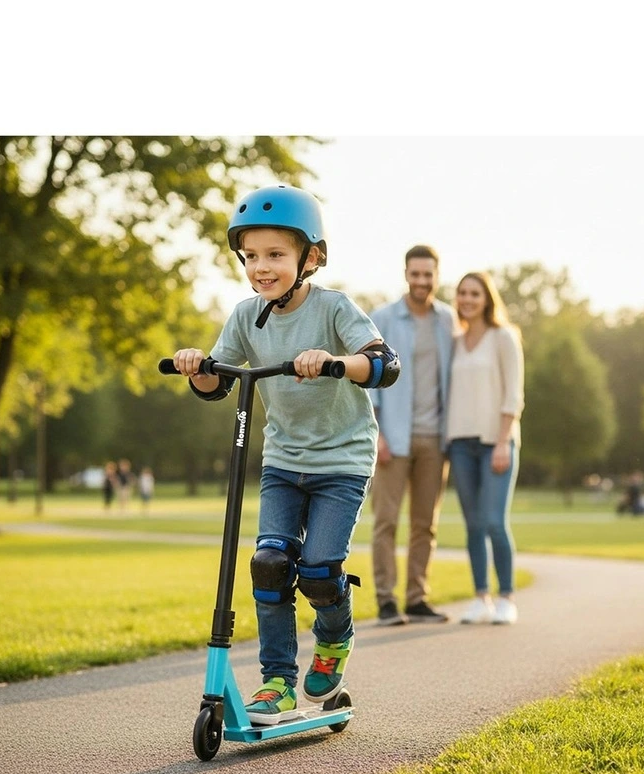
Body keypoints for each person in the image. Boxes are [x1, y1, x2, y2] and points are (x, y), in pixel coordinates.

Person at [172, 184, 400, 726]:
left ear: (310, 257)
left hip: (342, 463)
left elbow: (384, 364)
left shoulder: (334, 308)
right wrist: (196, 366)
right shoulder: (247, 315)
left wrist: (336, 361)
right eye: (251, 256)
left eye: (275, 254)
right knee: (270, 565)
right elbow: (217, 384)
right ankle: (277, 682)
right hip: (282, 462)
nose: (261, 267)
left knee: (319, 572)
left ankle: (334, 638)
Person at [369, 245, 456, 626]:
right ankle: (387, 601)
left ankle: (417, 598)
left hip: (436, 439)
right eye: (415, 274)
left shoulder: (448, 321)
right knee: (385, 521)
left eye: (428, 275)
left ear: (436, 277)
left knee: (426, 525)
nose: (422, 281)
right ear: (406, 274)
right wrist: (378, 435)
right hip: (393, 438)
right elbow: (367, 382)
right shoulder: (383, 319)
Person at [446, 271, 524, 625]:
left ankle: (506, 597)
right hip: (460, 444)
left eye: (475, 293)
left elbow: (513, 393)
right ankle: (481, 598)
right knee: (473, 524)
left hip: (497, 442)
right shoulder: (456, 341)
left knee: (494, 522)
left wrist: (504, 440)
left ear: (487, 298)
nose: (468, 299)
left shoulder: (503, 337)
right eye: (462, 293)